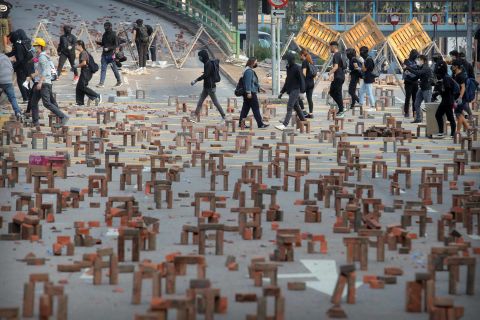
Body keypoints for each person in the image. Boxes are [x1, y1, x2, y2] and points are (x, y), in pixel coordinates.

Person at [30, 38, 68, 130]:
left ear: (39, 46)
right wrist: (31, 76)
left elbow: (46, 71)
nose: (34, 48)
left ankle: (63, 116)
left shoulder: (42, 57)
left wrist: (40, 82)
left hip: (44, 83)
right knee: (33, 102)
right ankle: (36, 122)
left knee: (46, 103)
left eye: (35, 46)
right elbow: (40, 71)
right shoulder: (40, 57)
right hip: (42, 82)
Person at [191, 49, 226, 123]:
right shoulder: (207, 63)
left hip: (210, 87)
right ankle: (195, 116)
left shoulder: (208, 64)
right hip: (206, 87)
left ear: (203, 56)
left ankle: (224, 116)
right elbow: (207, 74)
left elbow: (206, 75)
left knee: (215, 102)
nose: (199, 58)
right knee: (200, 101)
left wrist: (196, 80)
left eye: (200, 57)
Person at [275, 52, 306, 131]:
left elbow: (302, 79)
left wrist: (302, 91)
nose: (285, 62)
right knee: (297, 107)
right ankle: (304, 123)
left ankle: (285, 124)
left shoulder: (297, 68)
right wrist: (282, 92)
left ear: (290, 60)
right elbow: (287, 81)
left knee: (290, 106)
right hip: (290, 90)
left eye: (286, 60)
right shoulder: (288, 68)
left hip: (296, 90)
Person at [239, 57, 269, 129]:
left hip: (248, 92)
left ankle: (241, 123)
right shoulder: (249, 71)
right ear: (252, 62)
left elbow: (253, 82)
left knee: (245, 108)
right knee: (255, 108)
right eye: (256, 62)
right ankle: (260, 124)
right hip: (251, 93)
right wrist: (249, 92)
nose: (256, 63)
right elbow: (248, 83)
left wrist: (260, 88)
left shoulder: (248, 70)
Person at [6, 29, 34, 104]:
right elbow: (13, 53)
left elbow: (20, 59)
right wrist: (5, 55)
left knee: (21, 81)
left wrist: (14, 66)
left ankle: (26, 98)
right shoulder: (25, 41)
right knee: (26, 81)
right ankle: (29, 95)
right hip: (29, 64)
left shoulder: (18, 45)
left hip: (23, 65)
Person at [404, 55, 432, 123]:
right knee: (416, 103)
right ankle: (418, 118)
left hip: (427, 89)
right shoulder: (421, 67)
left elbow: (417, 72)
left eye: (419, 60)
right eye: (418, 59)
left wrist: (408, 68)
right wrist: (408, 77)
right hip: (421, 88)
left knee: (428, 105)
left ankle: (430, 120)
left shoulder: (426, 68)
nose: (418, 61)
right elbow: (416, 77)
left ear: (424, 61)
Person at [431, 61, 456, 139]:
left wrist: (440, 90)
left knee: (450, 117)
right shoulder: (445, 77)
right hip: (446, 101)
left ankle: (452, 134)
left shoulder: (446, 78)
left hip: (448, 101)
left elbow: (447, 89)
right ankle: (442, 132)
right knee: (439, 115)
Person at [74, 40, 101, 107]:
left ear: (80, 46)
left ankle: (96, 95)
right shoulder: (83, 52)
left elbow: (84, 63)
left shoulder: (83, 53)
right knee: (79, 87)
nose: (75, 46)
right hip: (85, 71)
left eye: (76, 45)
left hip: (86, 71)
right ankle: (80, 102)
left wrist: (76, 66)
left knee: (82, 86)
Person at [96, 22, 122, 88]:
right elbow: (103, 43)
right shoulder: (104, 34)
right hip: (104, 55)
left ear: (110, 27)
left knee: (114, 69)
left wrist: (109, 48)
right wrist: (98, 42)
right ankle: (101, 83)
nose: (105, 28)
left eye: (107, 26)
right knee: (103, 69)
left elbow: (116, 45)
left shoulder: (114, 34)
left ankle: (119, 81)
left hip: (111, 55)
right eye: (105, 27)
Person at [0, 51, 23, 120]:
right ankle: (18, 112)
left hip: (1, 80)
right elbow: (12, 68)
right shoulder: (6, 57)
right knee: (12, 98)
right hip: (8, 81)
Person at [327, 41, 345, 118]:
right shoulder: (340, 54)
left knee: (335, 92)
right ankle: (341, 108)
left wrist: (329, 73)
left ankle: (342, 109)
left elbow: (336, 67)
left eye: (330, 47)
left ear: (334, 47)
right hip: (340, 76)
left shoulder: (336, 55)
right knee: (334, 92)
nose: (329, 49)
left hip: (338, 77)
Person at [451, 60, 470, 134]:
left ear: (456, 66)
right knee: (460, 114)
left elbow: (463, 87)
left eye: (453, 65)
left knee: (458, 114)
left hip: (460, 98)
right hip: (457, 97)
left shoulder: (461, 76)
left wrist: (460, 97)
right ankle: (468, 129)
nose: (452, 67)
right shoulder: (456, 75)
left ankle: (458, 132)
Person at [358, 46, 376, 112]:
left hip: (369, 78)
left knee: (369, 92)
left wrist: (362, 63)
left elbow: (365, 69)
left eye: (361, 52)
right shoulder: (367, 59)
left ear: (364, 52)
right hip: (366, 78)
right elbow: (363, 69)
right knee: (361, 91)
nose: (360, 53)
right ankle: (360, 104)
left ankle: (373, 106)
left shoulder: (369, 59)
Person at [402, 49, 419, 118]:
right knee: (408, 98)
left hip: (415, 82)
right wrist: (413, 74)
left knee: (415, 98)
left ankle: (414, 112)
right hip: (408, 82)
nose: (416, 56)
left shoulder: (416, 62)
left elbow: (418, 70)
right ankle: (406, 112)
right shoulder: (406, 61)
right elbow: (405, 71)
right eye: (415, 55)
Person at [299, 49, 315, 118]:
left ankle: (303, 110)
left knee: (297, 95)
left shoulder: (304, 62)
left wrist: (301, 80)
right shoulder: (311, 62)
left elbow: (304, 73)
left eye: (300, 55)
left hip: (306, 83)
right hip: (311, 82)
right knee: (309, 98)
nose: (300, 57)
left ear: (302, 55)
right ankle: (311, 114)